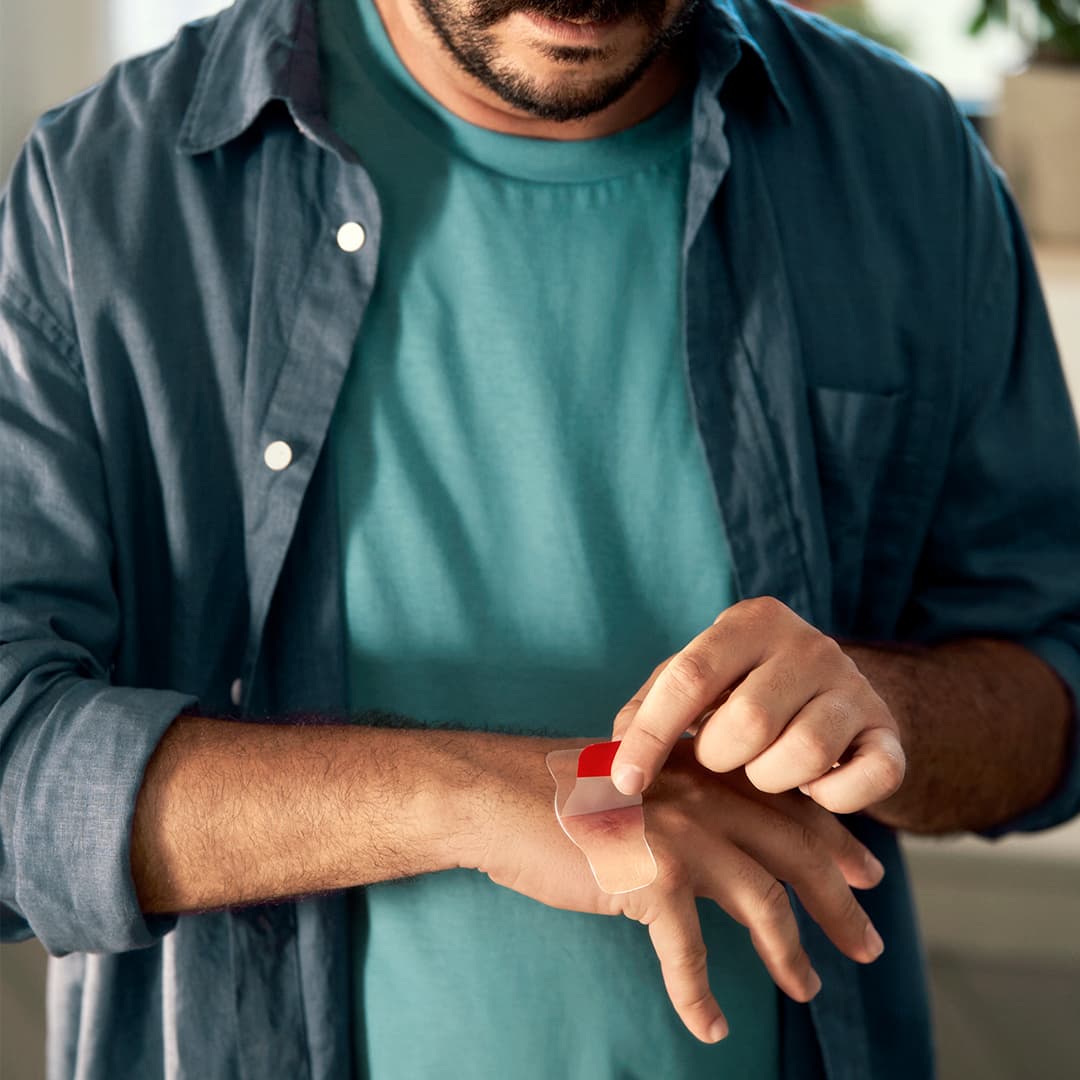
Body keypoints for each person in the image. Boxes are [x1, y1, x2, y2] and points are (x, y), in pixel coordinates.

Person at [1, 0, 1078, 1075]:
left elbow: (1052, 677)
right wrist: (469, 798)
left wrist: (879, 709)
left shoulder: (906, 159)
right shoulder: (101, 188)